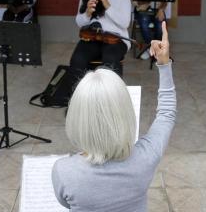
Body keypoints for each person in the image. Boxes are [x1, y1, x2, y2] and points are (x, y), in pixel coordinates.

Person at [52, 21, 176, 211]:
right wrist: (164, 64)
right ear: (125, 113)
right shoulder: (145, 159)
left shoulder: (64, 171)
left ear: (77, 118)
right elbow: (166, 115)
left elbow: (65, 203)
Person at [69, 0, 131, 81]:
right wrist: (87, 13)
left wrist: (107, 4)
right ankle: (80, 94)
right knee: (77, 60)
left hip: (115, 39)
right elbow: (80, 23)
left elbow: (125, 23)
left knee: (110, 60)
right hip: (92, 37)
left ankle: (112, 96)